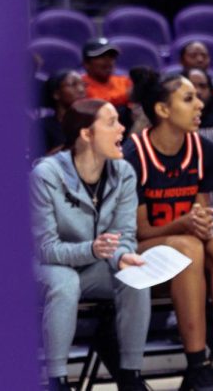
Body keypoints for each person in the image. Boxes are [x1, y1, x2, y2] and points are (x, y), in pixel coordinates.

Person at [122, 72, 213, 391]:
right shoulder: (133, 155)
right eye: (188, 99)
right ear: (162, 110)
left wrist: (201, 223)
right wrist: (185, 225)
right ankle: (198, 366)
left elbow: (201, 216)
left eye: (198, 97)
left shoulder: (203, 152)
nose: (200, 104)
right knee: (188, 247)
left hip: (182, 250)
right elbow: (138, 232)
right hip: (133, 256)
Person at [30, 98, 151, 391]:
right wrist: (93, 250)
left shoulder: (124, 173)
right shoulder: (46, 175)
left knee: (135, 279)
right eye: (112, 123)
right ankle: (57, 379)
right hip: (45, 268)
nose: (123, 128)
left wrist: (122, 256)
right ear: (86, 134)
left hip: (94, 264)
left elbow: (123, 234)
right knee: (66, 281)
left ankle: (130, 375)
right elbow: (45, 248)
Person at [38, 70, 88, 156]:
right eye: (73, 85)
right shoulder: (42, 126)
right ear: (56, 94)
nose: (81, 90)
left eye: (83, 84)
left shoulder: (92, 122)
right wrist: (71, 146)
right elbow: (37, 162)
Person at [81, 37, 134, 111]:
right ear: (86, 63)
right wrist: (128, 95)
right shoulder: (79, 86)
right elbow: (97, 104)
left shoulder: (124, 81)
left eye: (111, 56)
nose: (108, 61)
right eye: (101, 56)